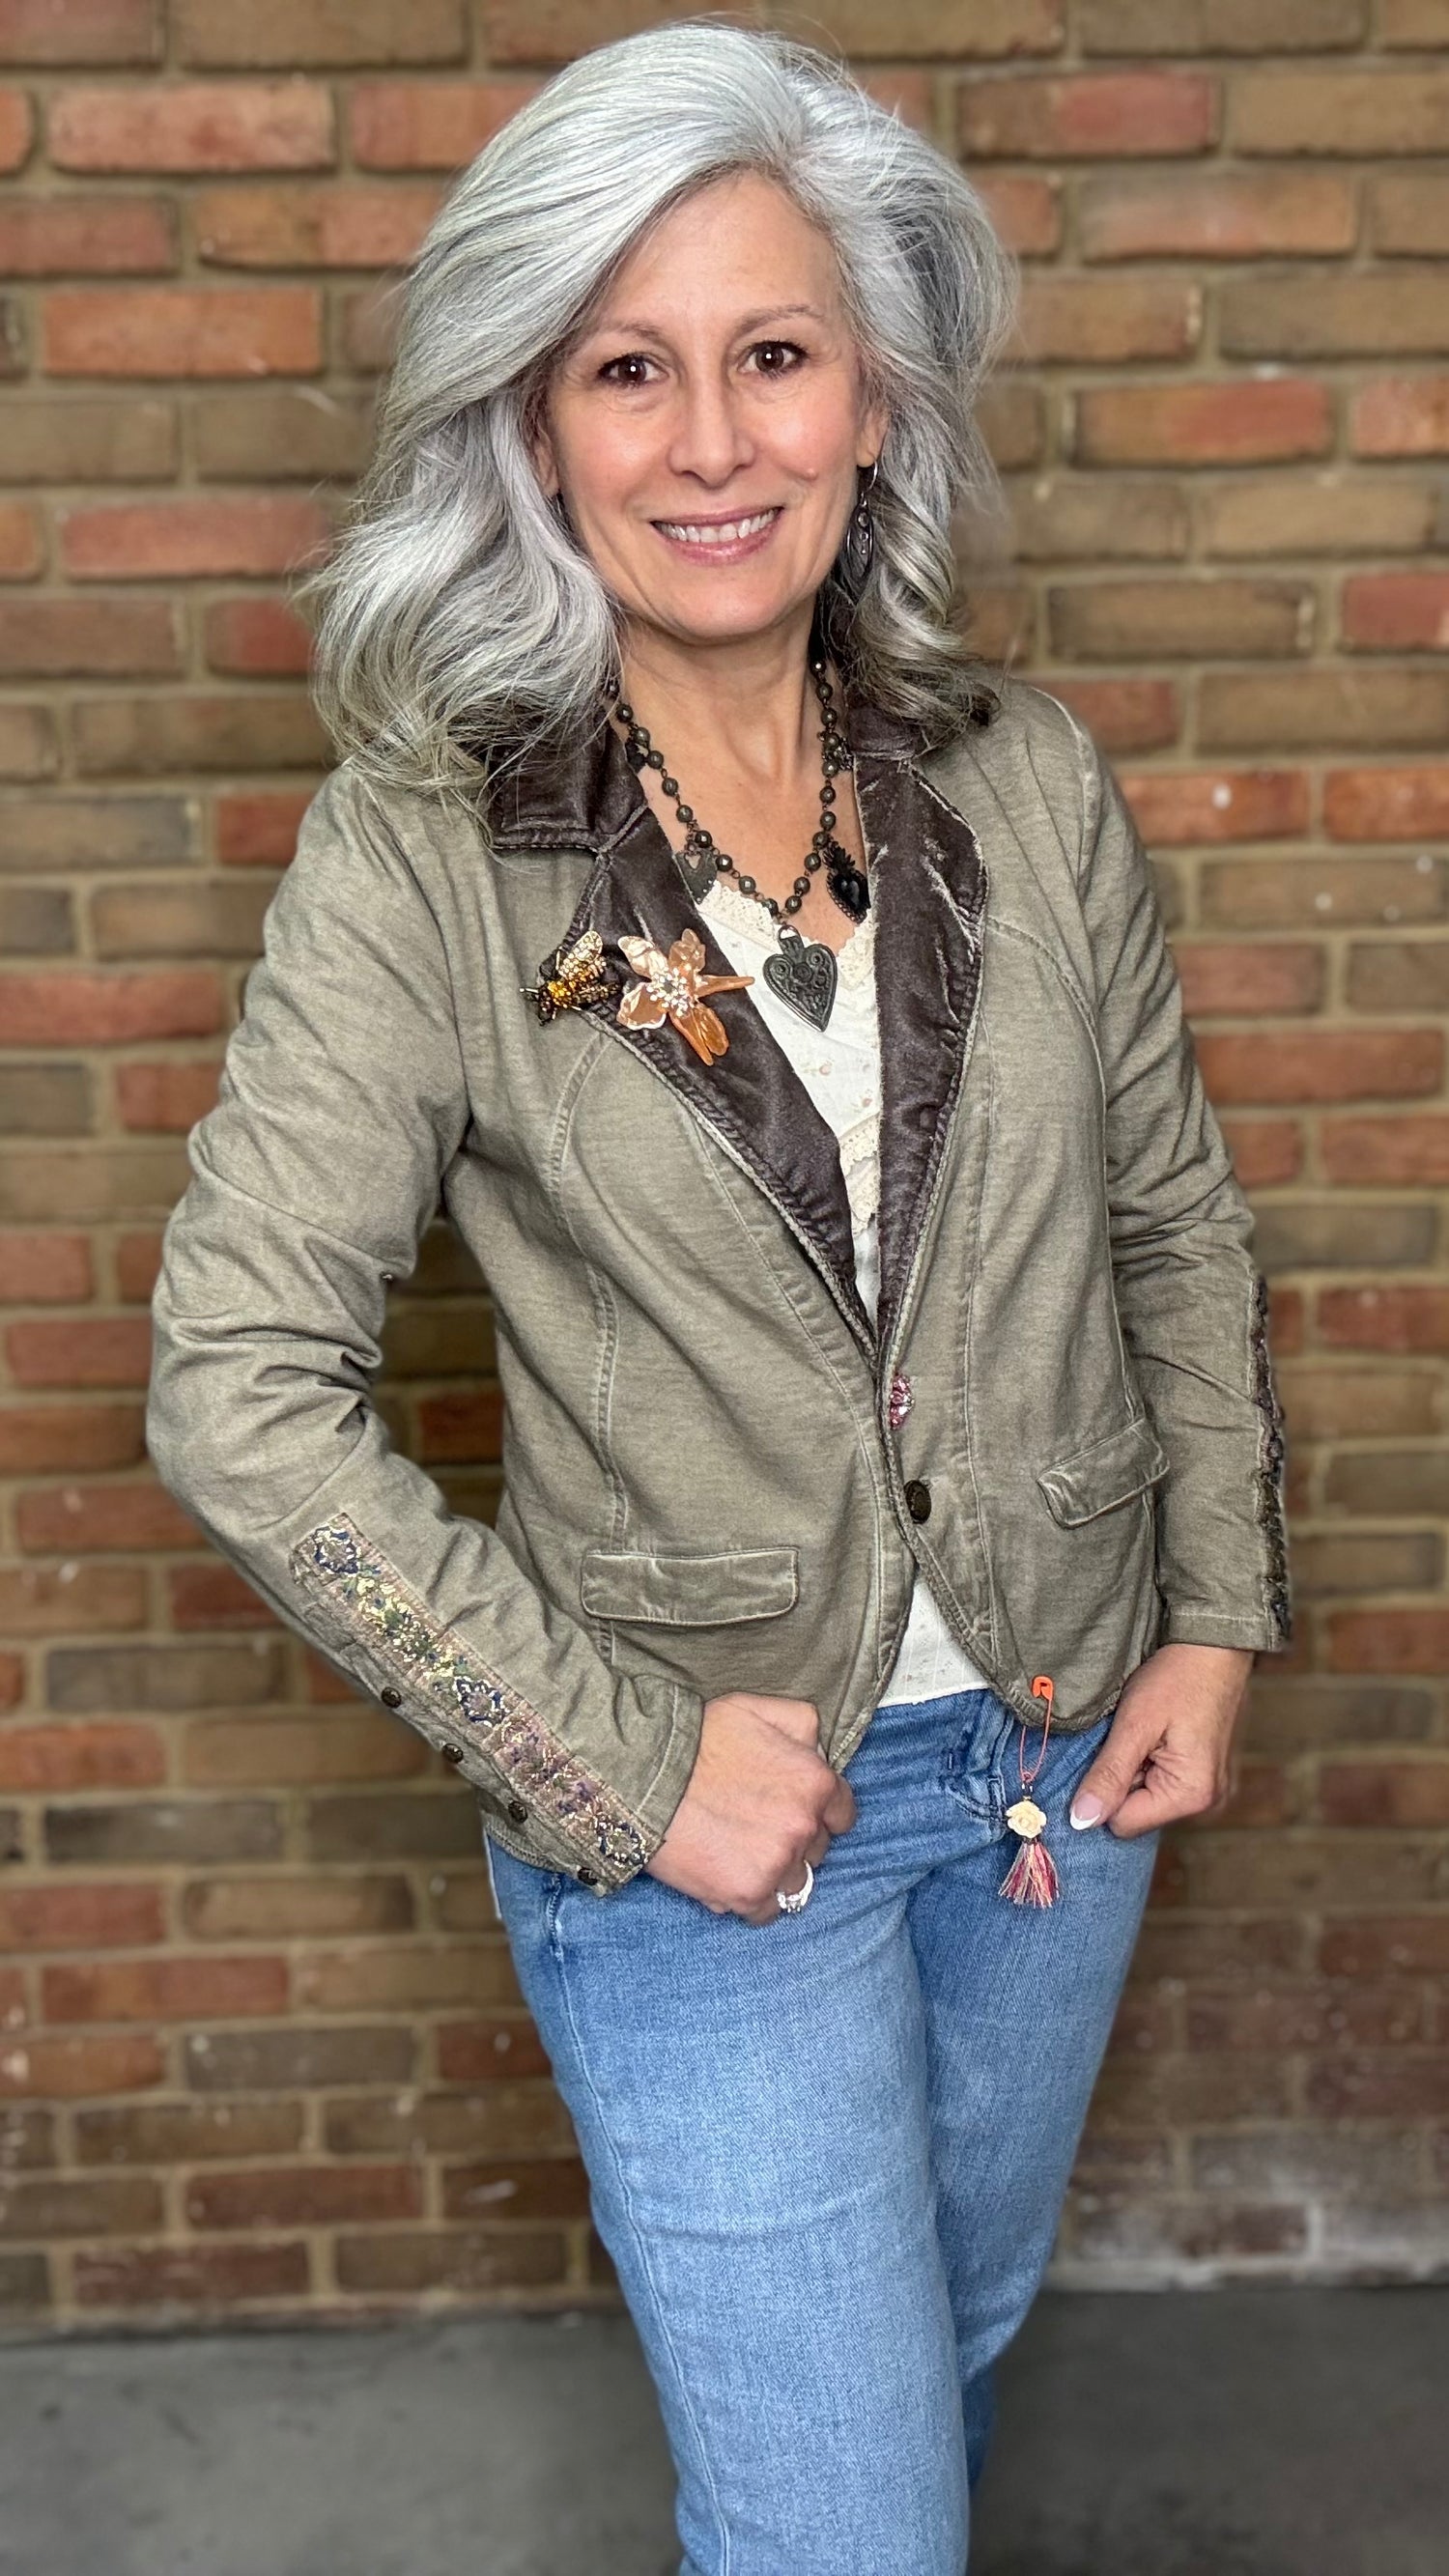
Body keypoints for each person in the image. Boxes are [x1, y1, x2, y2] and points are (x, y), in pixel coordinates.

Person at [145, 23, 1293, 2575]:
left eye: (768, 356)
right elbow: (237, 1387)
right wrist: (614, 1759)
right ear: (531, 426)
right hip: (699, 1828)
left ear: (869, 395)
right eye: (624, 371)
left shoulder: (1023, 777)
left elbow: (1166, 1221)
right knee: (843, 2530)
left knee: (946, 2359)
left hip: (1042, 1770)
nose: (706, 445)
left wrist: (1205, 1609)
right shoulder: (429, 848)